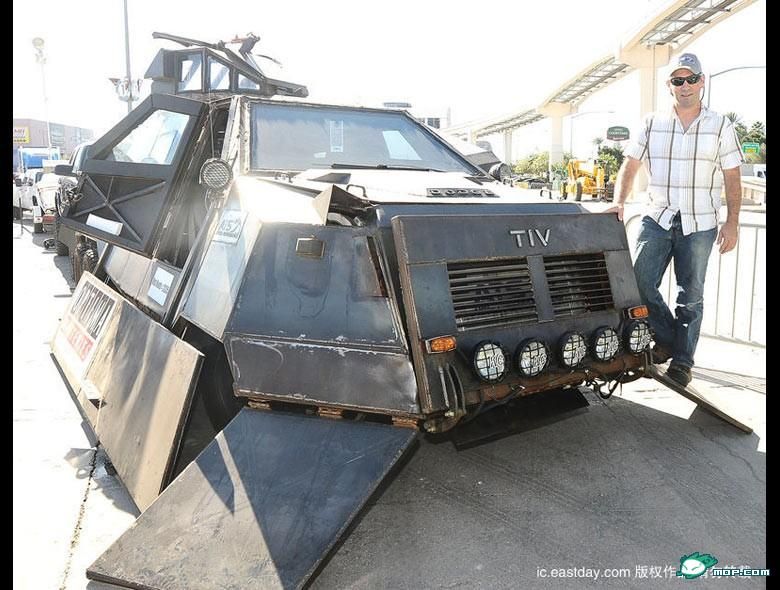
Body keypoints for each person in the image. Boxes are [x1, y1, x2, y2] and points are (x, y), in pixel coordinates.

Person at [609, 52, 743, 387]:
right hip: (657, 218)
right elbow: (630, 164)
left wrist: (732, 222)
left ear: (702, 82)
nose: (685, 86)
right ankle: (669, 339)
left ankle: (682, 362)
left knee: (691, 297)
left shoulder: (720, 125)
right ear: (669, 85)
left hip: (700, 223)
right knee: (638, 284)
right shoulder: (652, 122)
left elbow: (732, 177)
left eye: (691, 79)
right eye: (678, 80)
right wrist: (618, 202)